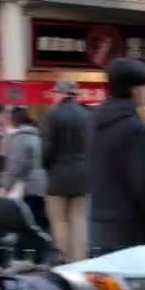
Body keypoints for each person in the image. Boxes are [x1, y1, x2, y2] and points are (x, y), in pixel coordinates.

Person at [90, 58, 145, 254]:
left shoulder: (95, 122)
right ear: (134, 89)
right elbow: (144, 181)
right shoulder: (134, 127)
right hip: (132, 225)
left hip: (99, 221)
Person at [42, 80, 91, 262]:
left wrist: (46, 166)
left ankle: (63, 260)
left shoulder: (53, 116)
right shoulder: (87, 116)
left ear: (62, 94)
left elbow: (47, 149)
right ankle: (79, 260)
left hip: (58, 176)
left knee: (59, 221)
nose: (53, 96)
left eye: (55, 92)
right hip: (83, 177)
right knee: (80, 221)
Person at [2, 107, 48, 231]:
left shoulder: (22, 138)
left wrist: (6, 185)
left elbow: (16, 166)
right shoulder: (37, 135)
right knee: (40, 224)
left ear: (15, 120)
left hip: (31, 188)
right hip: (43, 186)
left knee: (30, 226)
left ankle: (33, 249)